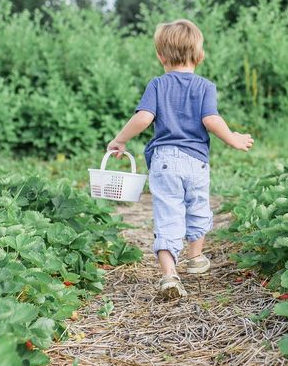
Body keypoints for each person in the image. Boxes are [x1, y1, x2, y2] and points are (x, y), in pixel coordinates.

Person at [107, 19, 254, 299]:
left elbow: (144, 117)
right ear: (199, 56)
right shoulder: (205, 86)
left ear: (160, 56)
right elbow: (211, 119)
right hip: (196, 161)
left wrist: (121, 139)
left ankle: (169, 275)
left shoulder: (158, 85)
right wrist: (233, 138)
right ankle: (195, 257)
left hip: (164, 161)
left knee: (167, 215)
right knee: (198, 207)